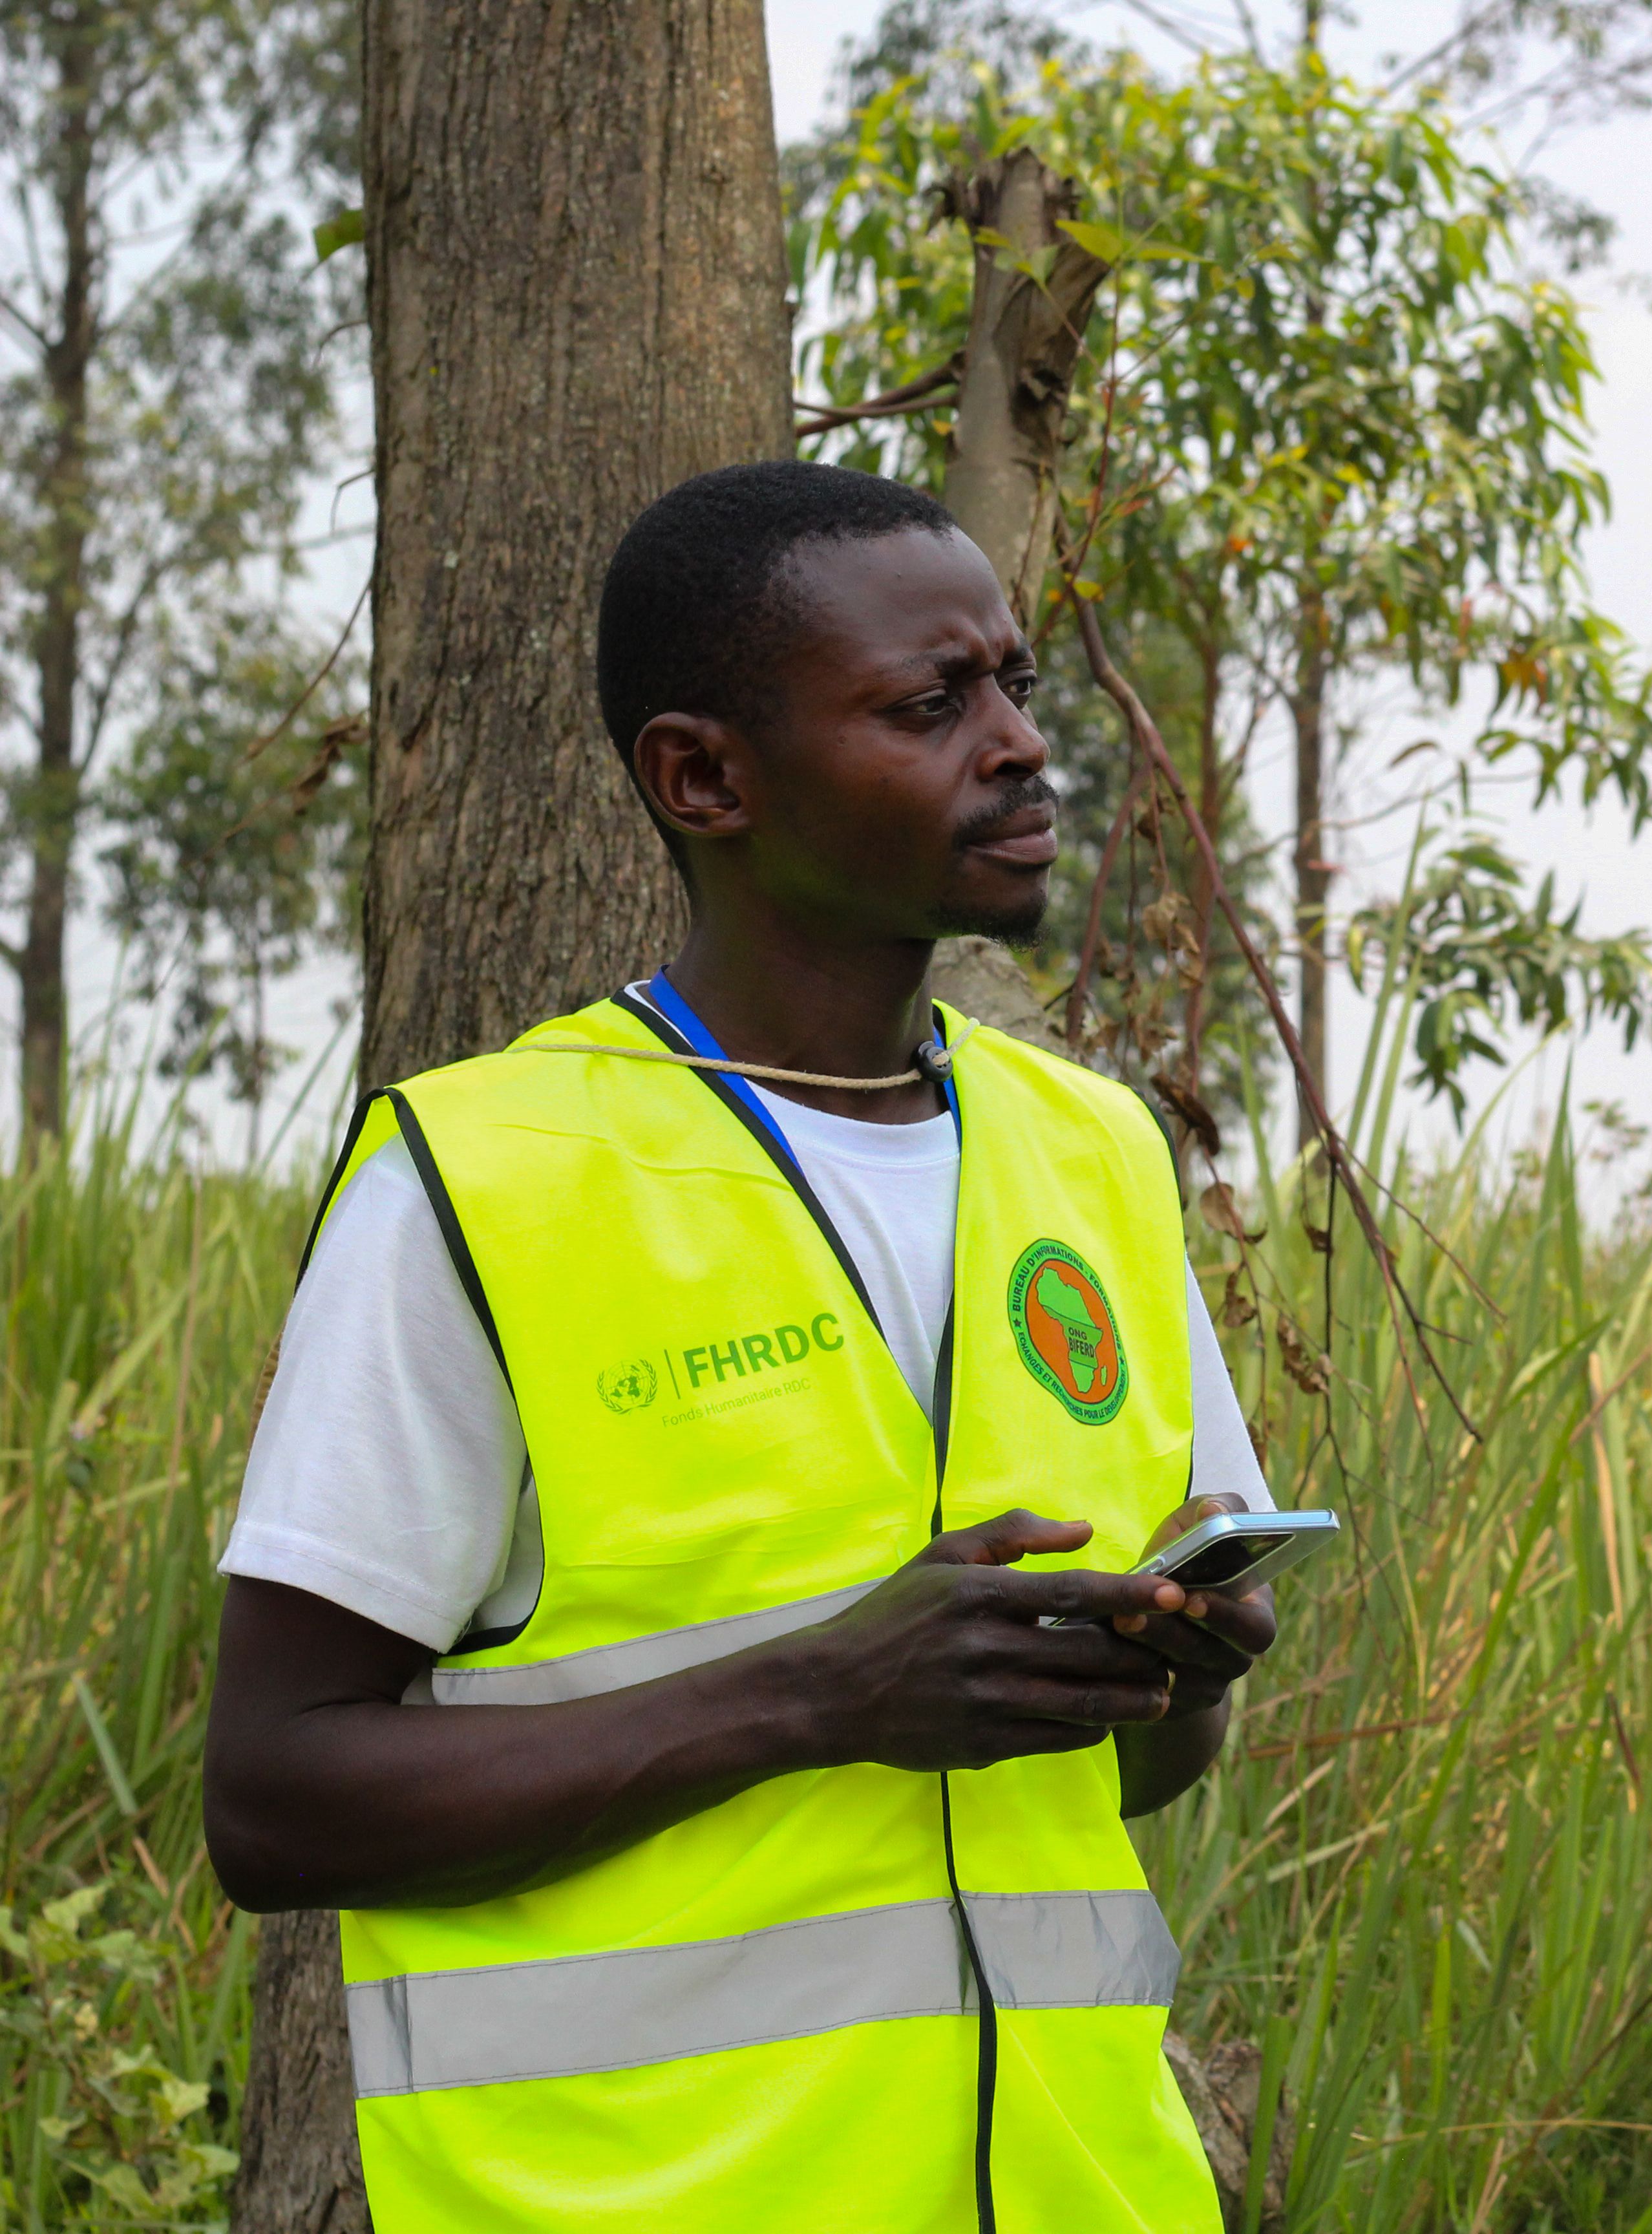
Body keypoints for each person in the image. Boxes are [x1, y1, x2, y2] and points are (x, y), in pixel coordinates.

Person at [203, 460, 1281, 2231]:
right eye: (934, 705)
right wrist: (818, 1699)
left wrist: (1179, 1680)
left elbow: (1135, 1783)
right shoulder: (486, 1180)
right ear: (704, 777)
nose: (1018, 742)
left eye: (1013, 682)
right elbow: (274, 1797)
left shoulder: (1092, 1155)